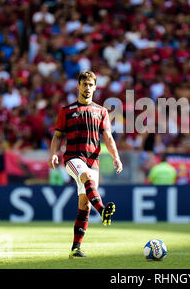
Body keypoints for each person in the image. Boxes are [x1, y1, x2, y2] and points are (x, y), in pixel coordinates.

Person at [48, 70, 123, 258]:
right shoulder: (67, 111)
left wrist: (116, 156)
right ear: (78, 86)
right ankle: (103, 210)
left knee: (84, 204)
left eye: (91, 85)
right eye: (84, 84)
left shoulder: (101, 111)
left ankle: (76, 248)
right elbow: (57, 136)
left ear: (95, 87)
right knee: (86, 177)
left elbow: (108, 137)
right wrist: (53, 154)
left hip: (93, 160)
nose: (87, 88)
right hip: (73, 157)